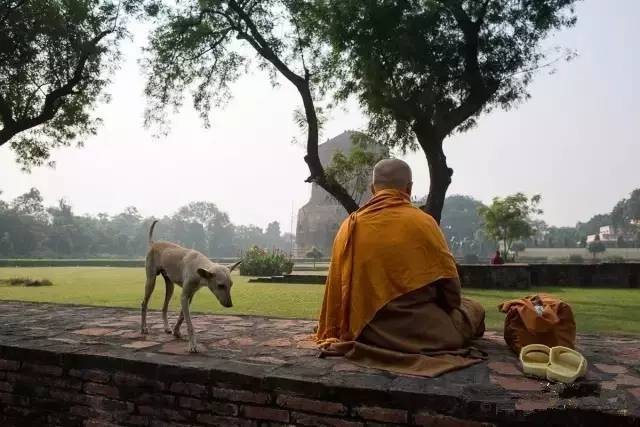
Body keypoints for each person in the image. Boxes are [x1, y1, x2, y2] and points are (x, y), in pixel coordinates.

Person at [316, 159, 486, 377]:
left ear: (372, 189)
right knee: (475, 309)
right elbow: (452, 295)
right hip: (422, 333)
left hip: (362, 333)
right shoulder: (423, 222)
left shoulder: (349, 226)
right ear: (409, 188)